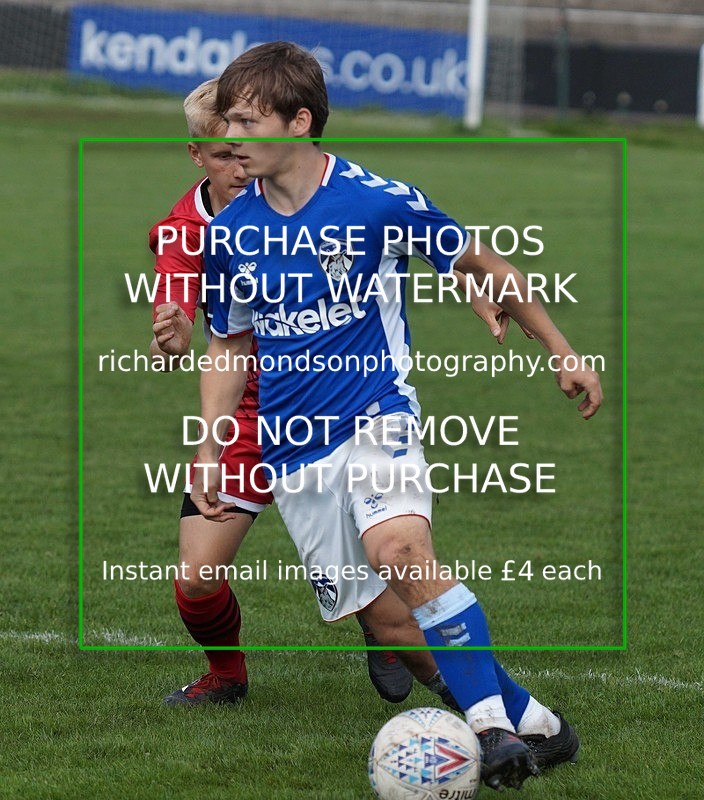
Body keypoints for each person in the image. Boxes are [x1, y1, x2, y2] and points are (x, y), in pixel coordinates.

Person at [191, 43, 596, 790]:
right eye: (226, 121)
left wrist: (562, 349)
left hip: (378, 413)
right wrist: (212, 446)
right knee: (391, 624)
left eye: (246, 120)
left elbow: (486, 266)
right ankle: (541, 725)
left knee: (404, 551)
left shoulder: (378, 200)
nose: (231, 136)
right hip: (292, 449)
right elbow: (228, 343)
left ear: (298, 121)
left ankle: (491, 734)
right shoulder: (228, 235)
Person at [150, 78, 471, 708]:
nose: (239, 165)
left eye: (246, 146)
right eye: (222, 154)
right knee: (195, 581)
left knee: (383, 560)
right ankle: (227, 674)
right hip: (246, 418)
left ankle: (471, 703)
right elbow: (183, 306)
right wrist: (174, 323)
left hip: (336, 406)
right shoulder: (189, 230)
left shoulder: (316, 200)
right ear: (197, 155)